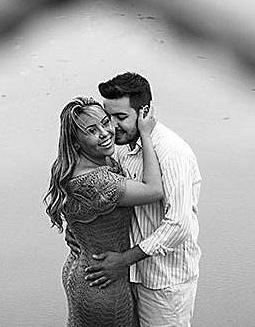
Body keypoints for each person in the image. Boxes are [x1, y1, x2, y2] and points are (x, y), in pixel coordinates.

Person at [86, 72, 202, 327]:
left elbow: (179, 225)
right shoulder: (125, 147)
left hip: (165, 283)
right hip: (132, 276)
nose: (112, 126)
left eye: (121, 117)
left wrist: (125, 260)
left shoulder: (172, 154)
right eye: (109, 117)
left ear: (145, 111)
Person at [45, 96, 165, 327]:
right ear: (76, 141)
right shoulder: (98, 180)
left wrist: (76, 230)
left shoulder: (80, 164)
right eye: (92, 130)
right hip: (102, 282)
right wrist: (146, 135)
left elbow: (82, 211)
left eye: (105, 122)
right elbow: (153, 190)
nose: (105, 132)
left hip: (86, 267)